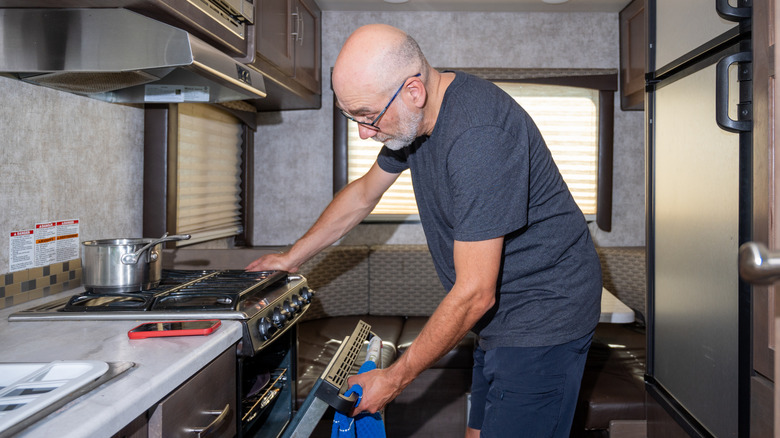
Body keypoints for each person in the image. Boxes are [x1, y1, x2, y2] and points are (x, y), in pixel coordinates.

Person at [246, 23, 602, 438]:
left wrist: (393, 379)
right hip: (498, 315)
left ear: (413, 91)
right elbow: (363, 194)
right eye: (351, 116)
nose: (363, 132)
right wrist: (290, 258)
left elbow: (475, 293)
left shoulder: (479, 137)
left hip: (544, 316)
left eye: (368, 116)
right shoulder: (415, 122)